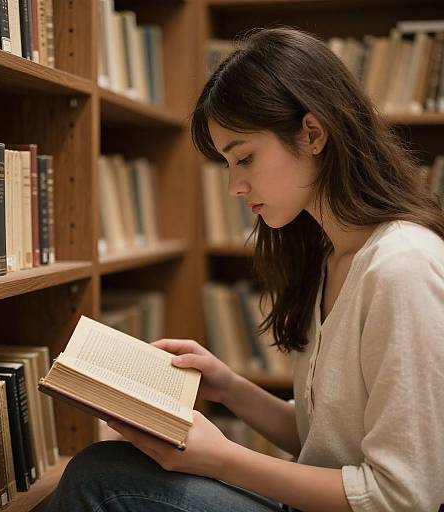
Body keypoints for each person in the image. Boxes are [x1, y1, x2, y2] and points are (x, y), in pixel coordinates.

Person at [46, 27, 444, 512]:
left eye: (245, 158)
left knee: (98, 480)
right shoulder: (333, 257)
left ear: (313, 133)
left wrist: (220, 460)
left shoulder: (402, 268)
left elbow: (401, 497)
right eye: (228, 165)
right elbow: (325, 439)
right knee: (106, 465)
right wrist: (229, 387)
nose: (235, 185)